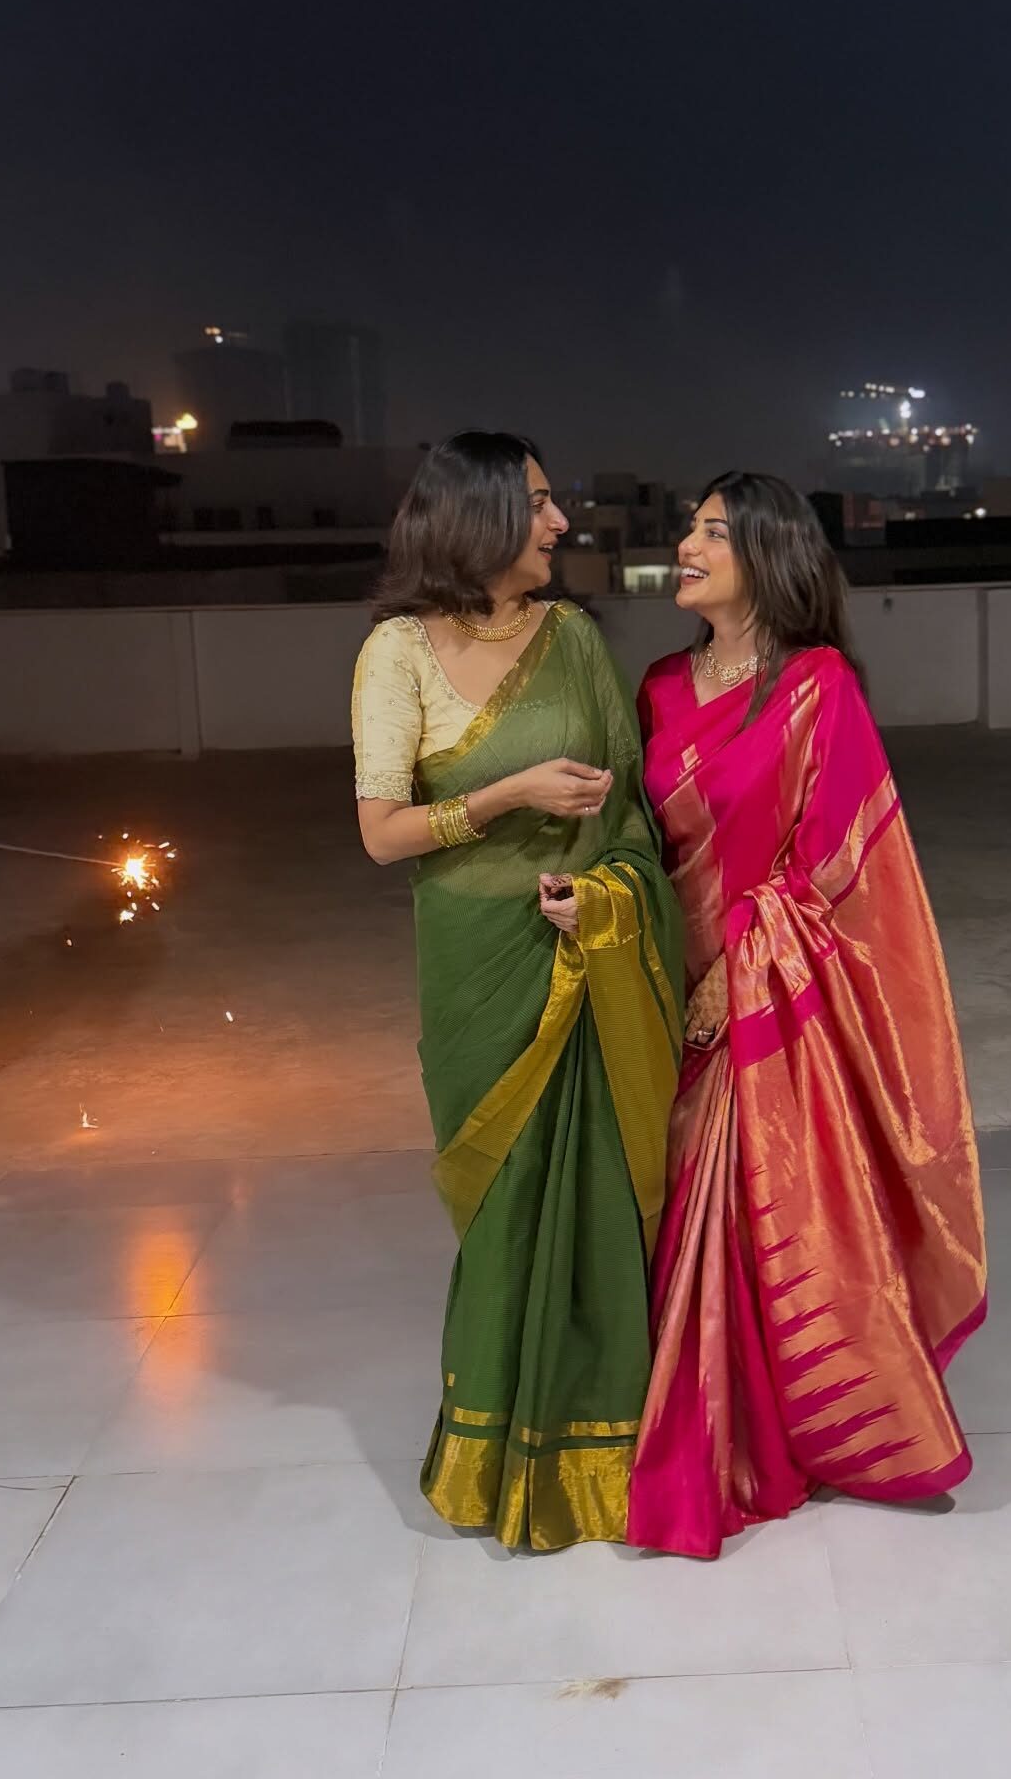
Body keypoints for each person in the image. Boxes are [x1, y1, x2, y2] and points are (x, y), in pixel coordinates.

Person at [625, 471, 986, 1560]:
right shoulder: (657, 688)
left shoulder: (817, 685)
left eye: (713, 531)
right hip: (666, 989)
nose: (687, 545)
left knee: (767, 1207)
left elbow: (840, 867)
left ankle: (801, 1430)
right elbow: (642, 847)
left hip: (765, 999)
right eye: (689, 528)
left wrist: (733, 968)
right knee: (679, 1204)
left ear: (767, 555)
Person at [351, 431, 682, 1550]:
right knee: (502, 1198)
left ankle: (612, 1447)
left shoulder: (575, 639)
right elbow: (382, 834)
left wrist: (606, 897)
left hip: (581, 949)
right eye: (538, 504)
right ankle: (496, 1453)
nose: (559, 524)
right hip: (475, 964)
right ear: (478, 515)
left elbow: (630, 814)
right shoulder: (397, 653)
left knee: (600, 1194)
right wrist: (506, 795)